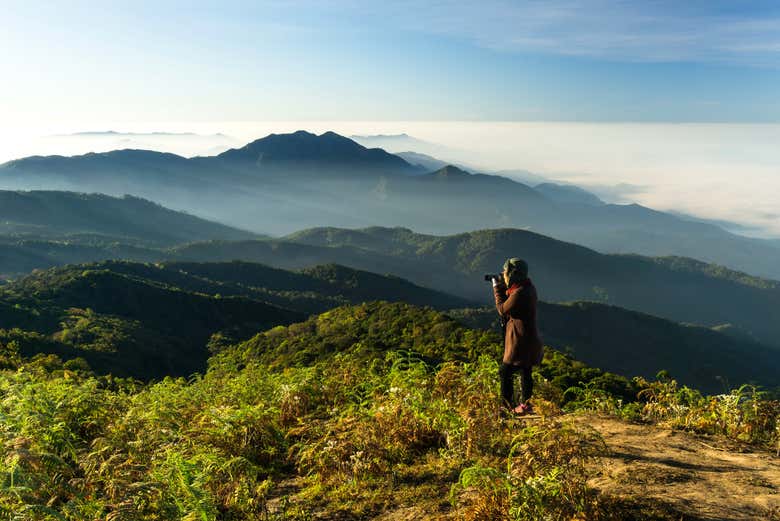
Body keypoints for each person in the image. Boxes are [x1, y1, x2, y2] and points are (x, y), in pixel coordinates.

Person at [491, 257, 543, 415]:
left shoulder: (519, 293)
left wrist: (496, 287)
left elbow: (502, 309)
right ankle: (526, 404)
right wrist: (505, 286)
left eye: (505, 272)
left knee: (505, 371)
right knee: (525, 370)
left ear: (513, 273)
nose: (503, 275)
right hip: (529, 338)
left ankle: (506, 407)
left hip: (520, 340)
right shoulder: (528, 288)